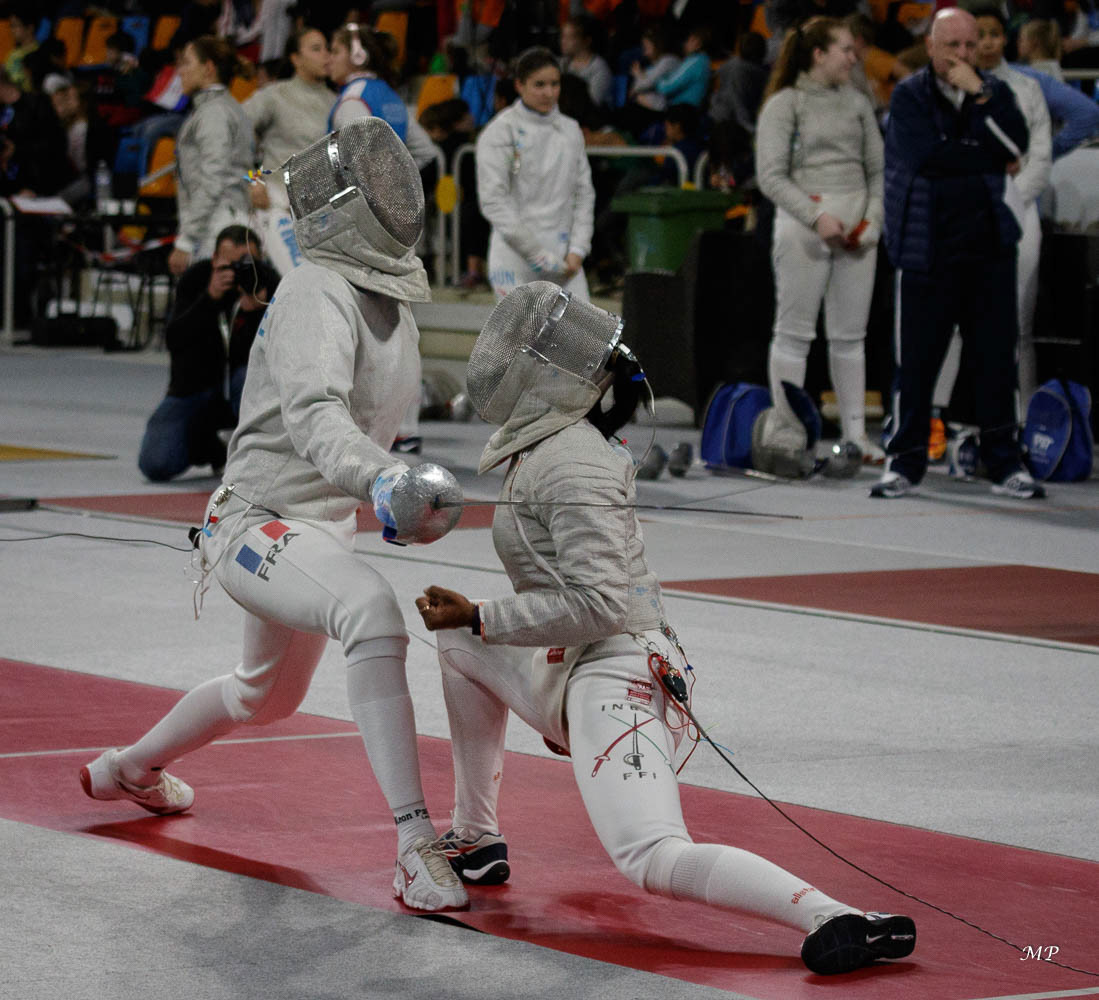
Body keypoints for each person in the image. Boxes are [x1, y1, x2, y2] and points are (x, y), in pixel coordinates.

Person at [414, 281, 918, 976]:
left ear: (553, 375)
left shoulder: (572, 462)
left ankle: (835, 916)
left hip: (613, 672)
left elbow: (601, 603)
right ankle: (474, 839)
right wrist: (474, 625)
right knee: (456, 644)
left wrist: (483, 614)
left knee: (650, 856)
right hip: (574, 664)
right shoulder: (556, 445)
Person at [81, 117, 469, 914]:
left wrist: (392, 501)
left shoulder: (388, 306)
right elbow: (319, 417)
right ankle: (413, 843)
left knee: (266, 695)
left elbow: (368, 435)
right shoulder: (314, 290)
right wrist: (384, 479)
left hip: (317, 529)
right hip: (253, 523)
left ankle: (129, 769)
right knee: (371, 612)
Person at [872, 8, 1044, 500]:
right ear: (931, 46)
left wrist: (980, 96)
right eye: (953, 46)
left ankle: (1005, 462)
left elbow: (1019, 145)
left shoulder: (995, 94)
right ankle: (904, 462)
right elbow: (926, 159)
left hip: (990, 248)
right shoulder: (909, 96)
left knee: (996, 362)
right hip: (926, 249)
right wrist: (985, 156)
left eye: (970, 46)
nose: (964, 55)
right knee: (917, 366)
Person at [755, 17, 885, 462]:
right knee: (793, 334)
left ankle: (856, 436)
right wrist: (816, 217)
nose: (854, 57)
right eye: (846, 49)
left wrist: (871, 221)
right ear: (818, 54)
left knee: (851, 337)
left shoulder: (858, 102)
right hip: (802, 226)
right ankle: (787, 432)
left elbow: (878, 171)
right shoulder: (784, 104)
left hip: (857, 233)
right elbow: (771, 176)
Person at [137, 226, 276, 482]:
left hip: (245, 390)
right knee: (155, 462)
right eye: (230, 264)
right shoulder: (197, 280)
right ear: (214, 260)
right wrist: (210, 298)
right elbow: (175, 338)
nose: (238, 271)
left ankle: (257, 453)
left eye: (247, 262)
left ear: (260, 258)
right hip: (195, 388)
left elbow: (281, 352)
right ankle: (212, 449)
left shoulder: (269, 281)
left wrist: (259, 312)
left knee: (248, 378)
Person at [476, 46, 595, 301]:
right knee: (522, 341)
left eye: (555, 84)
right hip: (514, 258)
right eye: (539, 85)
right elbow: (494, 201)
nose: (548, 93)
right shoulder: (500, 131)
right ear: (519, 85)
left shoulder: (570, 130)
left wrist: (578, 249)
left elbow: (584, 194)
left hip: (566, 260)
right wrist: (537, 254)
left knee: (584, 339)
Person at [243, 25, 333, 275]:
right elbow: (234, 131)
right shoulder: (275, 95)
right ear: (295, 58)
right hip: (279, 208)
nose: (325, 55)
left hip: (321, 213)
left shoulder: (337, 102)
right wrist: (252, 179)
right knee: (297, 280)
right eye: (316, 49)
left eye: (327, 49)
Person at [167, 36, 255, 277]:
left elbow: (213, 179)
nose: (180, 71)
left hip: (215, 228)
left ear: (208, 69)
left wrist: (186, 240)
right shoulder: (223, 108)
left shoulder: (214, 113)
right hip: (225, 222)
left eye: (186, 63)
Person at [710, 30, 768, 135]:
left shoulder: (732, 63)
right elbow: (740, 107)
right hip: (729, 122)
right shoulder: (749, 72)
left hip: (717, 114)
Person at [561, 15, 614, 109]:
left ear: (586, 41)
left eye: (570, 38)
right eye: (563, 36)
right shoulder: (563, 63)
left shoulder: (600, 69)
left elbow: (592, 105)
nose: (563, 41)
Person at [652, 26, 712, 109]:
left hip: (681, 112)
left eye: (690, 40)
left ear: (698, 44)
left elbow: (666, 88)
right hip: (683, 108)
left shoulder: (696, 63)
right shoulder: (701, 60)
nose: (686, 43)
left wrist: (654, 80)